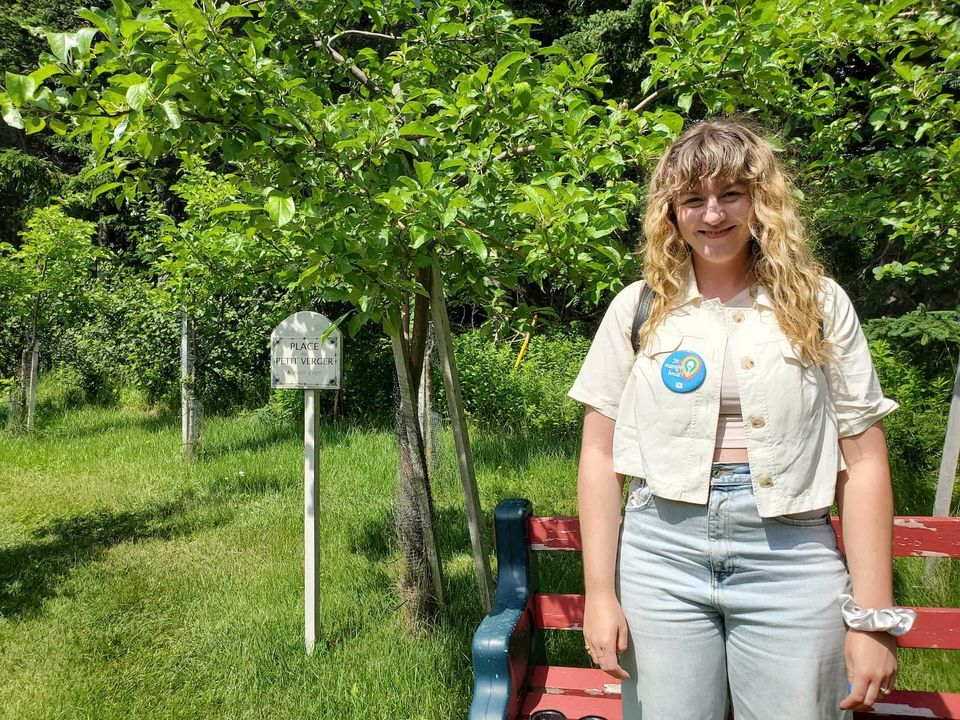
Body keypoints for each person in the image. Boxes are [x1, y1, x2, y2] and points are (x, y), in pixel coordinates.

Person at [567, 119, 914, 720]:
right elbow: (599, 458)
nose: (712, 214)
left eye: (730, 194)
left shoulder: (819, 304)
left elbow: (864, 460)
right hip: (660, 555)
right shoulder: (640, 308)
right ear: (670, 213)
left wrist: (873, 619)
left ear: (761, 202)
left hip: (791, 557)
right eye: (693, 199)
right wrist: (600, 594)